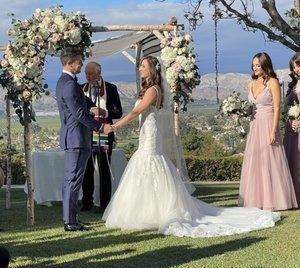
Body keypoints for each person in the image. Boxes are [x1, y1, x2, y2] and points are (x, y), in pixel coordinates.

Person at [102, 56, 281, 238]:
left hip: (150, 133)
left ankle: (155, 212)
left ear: (152, 70)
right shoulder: (147, 88)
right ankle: (145, 210)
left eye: (143, 66)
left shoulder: (154, 90)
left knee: (150, 162)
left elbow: (136, 111)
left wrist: (115, 126)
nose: (140, 68)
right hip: (145, 132)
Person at [55, 48, 110, 232]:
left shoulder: (66, 81)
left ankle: (70, 218)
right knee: (73, 181)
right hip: (77, 138)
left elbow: (81, 103)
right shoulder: (69, 84)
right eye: (79, 62)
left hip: (74, 138)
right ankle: (70, 222)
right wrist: (101, 127)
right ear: (70, 63)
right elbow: (78, 114)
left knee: (71, 181)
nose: (81, 64)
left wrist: (93, 107)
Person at [238, 52, 297, 211]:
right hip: (255, 125)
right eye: (253, 65)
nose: (255, 68)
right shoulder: (251, 84)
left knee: (270, 161)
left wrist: (273, 131)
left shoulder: (273, 82)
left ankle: (276, 200)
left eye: (258, 65)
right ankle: (256, 200)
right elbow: (251, 107)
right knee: (255, 161)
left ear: (265, 65)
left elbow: (277, 108)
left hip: (268, 124)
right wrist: (240, 112)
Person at [81, 61, 123, 211]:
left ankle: (105, 204)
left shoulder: (110, 88)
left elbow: (119, 112)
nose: (88, 76)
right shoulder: (81, 89)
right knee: (87, 168)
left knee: (104, 167)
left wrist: (104, 112)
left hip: (104, 132)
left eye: (91, 73)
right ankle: (87, 202)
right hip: (87, 133)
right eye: (86, 73)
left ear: (99, 73)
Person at [283, 53, 300, 207]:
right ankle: (292, 198)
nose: (296, 69)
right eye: (294, 67)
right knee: (291, 162)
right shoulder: (292, 86)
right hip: (291, 130)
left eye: (298, 65)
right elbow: (287, 108)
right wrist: (292, 119)